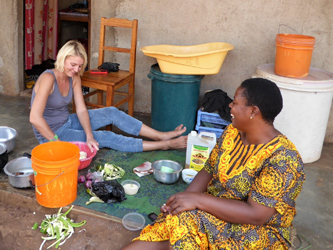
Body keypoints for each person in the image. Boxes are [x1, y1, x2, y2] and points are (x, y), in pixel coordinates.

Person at [122, 78, 306, 250]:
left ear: (253, 111)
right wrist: (181, 201)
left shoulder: (283, 159)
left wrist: (197, 200)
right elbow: (208, 169)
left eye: (235, 102)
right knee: (173, 219)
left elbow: (257, 214)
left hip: (256, 231)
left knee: (185, 223)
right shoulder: (232, 133)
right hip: (215, 210)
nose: (230, 106)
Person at [30, 40, 187, 152]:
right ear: (62, 59)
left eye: (79, 66)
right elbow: (35, 118)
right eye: (72, 65)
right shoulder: (48, 78)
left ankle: (160, 136)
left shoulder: (74, 77)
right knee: (106, 137)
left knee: (111, 111)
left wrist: (89, 135)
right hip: (52, 135)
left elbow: (82, 109)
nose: (76, 69)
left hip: (68, 121)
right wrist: (57, 143)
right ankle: (164, 145)